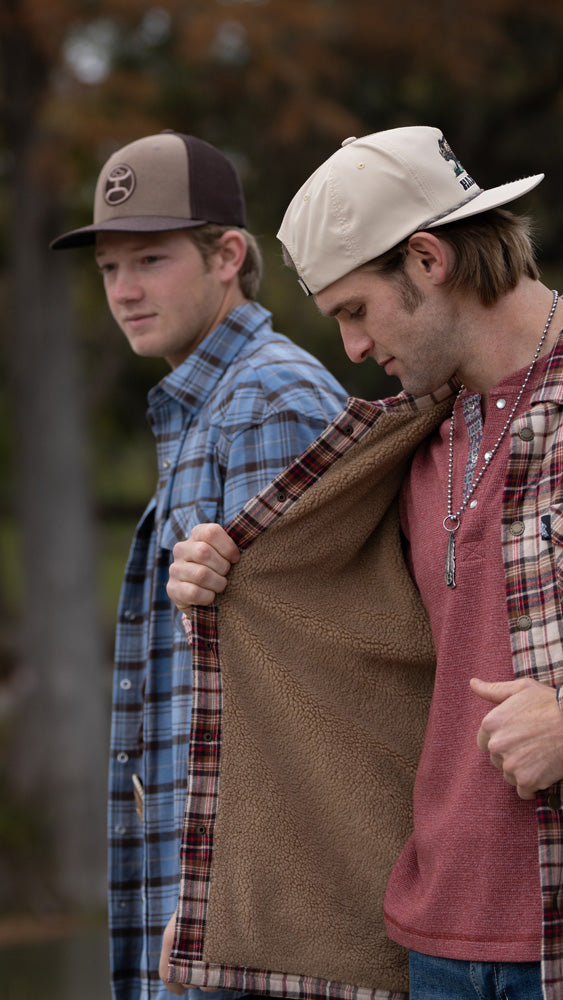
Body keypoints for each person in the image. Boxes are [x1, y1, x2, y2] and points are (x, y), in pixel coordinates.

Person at [166, 127, 563, 1000]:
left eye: (354, 311)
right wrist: (225, 576)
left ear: (426, 259)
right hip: (429, 945)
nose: (349, 350)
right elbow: (344, 669)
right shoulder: (403, 449)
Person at [50, 129, 348, 1000]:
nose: (125, 291)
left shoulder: (266, 403)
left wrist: (227, 896)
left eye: (149, 258)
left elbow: (291, 686)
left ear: (227, 255)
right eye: (109, 269)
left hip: (243, 918)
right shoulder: (209, 404)